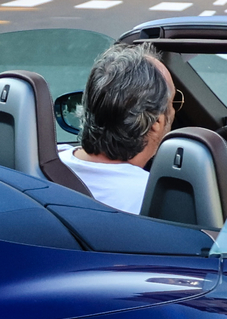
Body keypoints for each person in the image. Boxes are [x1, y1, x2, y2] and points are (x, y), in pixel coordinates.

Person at [59, 42, 175, 213]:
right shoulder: (155, 199)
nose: (174, 111)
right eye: (173, 102)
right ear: (156, 122)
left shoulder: (45, 162)